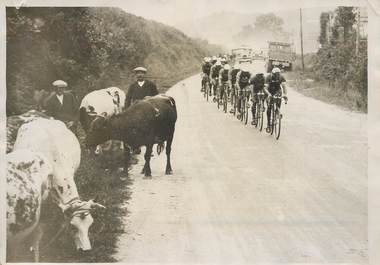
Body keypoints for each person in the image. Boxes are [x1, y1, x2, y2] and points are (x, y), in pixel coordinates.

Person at [264, 67, 288, 132]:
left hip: (277, 90)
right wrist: (269, 94)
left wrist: (285, 94)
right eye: (275, 75)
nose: (277, 76)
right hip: (269, 90)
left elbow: (284, 87)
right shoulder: (268, 77)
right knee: (269, 107)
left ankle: (277, 110)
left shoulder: (281, 77)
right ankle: (268, 124)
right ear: (272, 74)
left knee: (279, 97)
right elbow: (265, 88)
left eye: (278, 75)